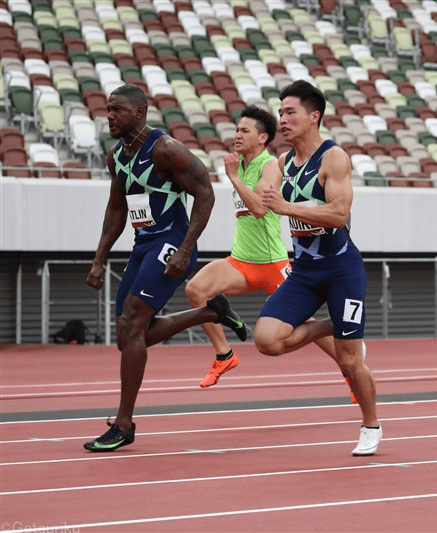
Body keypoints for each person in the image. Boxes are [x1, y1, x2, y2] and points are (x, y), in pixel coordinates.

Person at [84, 84, 248, 452]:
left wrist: (186, 249)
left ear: (139, 112)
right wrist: (99, 258)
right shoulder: (117, 157)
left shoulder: (165, 149)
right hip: (143, 244)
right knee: (126, 337)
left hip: (170, 241)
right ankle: (210, 311)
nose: (109, 115)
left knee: (131, 323)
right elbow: (116, 209)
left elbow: (205, 192)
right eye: (107, 109)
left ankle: (124, 424)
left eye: (117, 110)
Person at [184, 105, 347, 396]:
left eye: (244, 131)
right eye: (236, 129)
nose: (237, 135)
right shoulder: (242, 165)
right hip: (241, 261)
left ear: (262, 138)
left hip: (272, 264)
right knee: (196, 289)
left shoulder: (270, 165)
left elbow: (260, 209)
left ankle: (350, 368)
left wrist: (233, 178)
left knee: (305, 325)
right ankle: (225, 355)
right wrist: (236, 174)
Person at [256, 80, 382, 456]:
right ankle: (336, 325)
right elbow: (264, 203)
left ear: (314, 117)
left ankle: (371, 425)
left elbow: (339, 214)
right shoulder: (280, 162)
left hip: (342, 268)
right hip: (306, 273)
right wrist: (236, 180)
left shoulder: (334, 158)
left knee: (348, 358)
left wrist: (287, 207)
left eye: (290, 112)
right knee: (266, 339)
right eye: (279, 113)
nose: (282, 119)